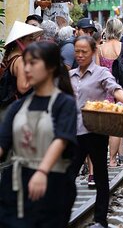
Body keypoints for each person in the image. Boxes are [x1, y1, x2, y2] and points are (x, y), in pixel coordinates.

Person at [0, 41, 77, 227]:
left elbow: (62, 139)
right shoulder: (18, 106)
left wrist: (42, 171)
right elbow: (3, 143)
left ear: (50, 67)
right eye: (25, 63)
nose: (26, 68)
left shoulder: (64, 103)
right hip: (16, 184)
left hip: (52, 183)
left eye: (33, 63)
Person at [68, 36, 123, 228]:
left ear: (93, 52)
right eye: (77, 51)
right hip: (74, 132)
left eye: (84, 51)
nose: (80, 55)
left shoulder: (100, 73)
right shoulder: (70, 75)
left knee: (100, 176)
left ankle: (101, 220)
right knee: (67, 177)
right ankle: (61, 215)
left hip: (95, 131)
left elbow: (115, 89)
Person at [95, 18, 123, 167]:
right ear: (120, 31)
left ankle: (101, 157)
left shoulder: (100, 48)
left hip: (104, 89)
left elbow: (96, 70)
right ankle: (113, 160)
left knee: (103, 126)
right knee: (116, 126)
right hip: (120, 89)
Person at [0, 21, 43, 122]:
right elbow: (23, 87)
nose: (33, 43)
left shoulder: (11, 56)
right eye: (30, 40)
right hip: (17, 111)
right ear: (19, 41)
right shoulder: (21, 60)